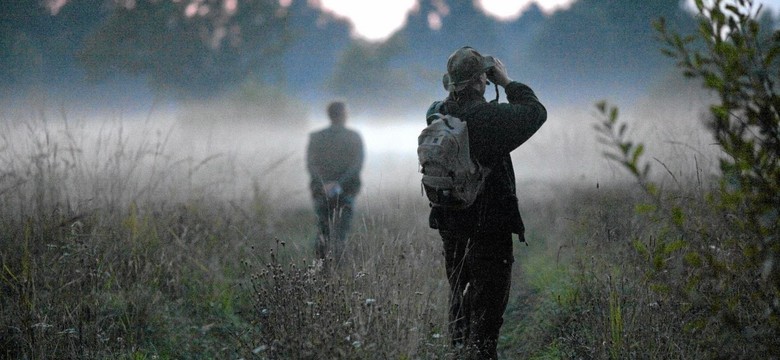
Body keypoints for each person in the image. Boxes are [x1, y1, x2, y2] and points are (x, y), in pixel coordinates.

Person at [425, 46, 546, 358]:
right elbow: (535, 112)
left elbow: (445, 100)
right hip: (489, 226)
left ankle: (460, 353)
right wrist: (506, 83)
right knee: (488, 313)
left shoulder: (437, 115)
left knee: (460, 299)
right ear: (482, 81)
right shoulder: (489, 120)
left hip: (450, 224)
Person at [306, 101, 364, 262]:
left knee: (323, 231)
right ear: (344, 114)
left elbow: (311, 165)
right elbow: (356, 165)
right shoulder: (354, 137)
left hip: (321, 191)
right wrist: (339, 184)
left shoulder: (316, 137)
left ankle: (321, 269)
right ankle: (338, 270)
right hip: (346, 191)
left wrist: (324, 183)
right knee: (341, 233)